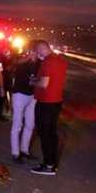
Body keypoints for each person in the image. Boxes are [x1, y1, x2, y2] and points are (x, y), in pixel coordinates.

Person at [30, 40, 68, 176]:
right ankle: (52, 162)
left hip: (46, 102)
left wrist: (33, 81)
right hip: (56, 101)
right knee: (51, 133)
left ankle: (48, 165)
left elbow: (44, 83)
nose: (38, 54)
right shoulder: (61, 61)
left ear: (41, 48)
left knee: (44, 133)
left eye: (38, 51)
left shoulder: (48, 62)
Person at [10, 48, 40, 163]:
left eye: (36, 52)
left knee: (30, 125)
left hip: (32, 96)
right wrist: (29, 57)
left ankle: (24, 150)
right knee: (17, 124)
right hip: (19, 95)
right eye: (33, 51)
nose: (35, 54)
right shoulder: (21, 59)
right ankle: (15, 153)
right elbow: (16, 62)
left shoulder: (39, 63)